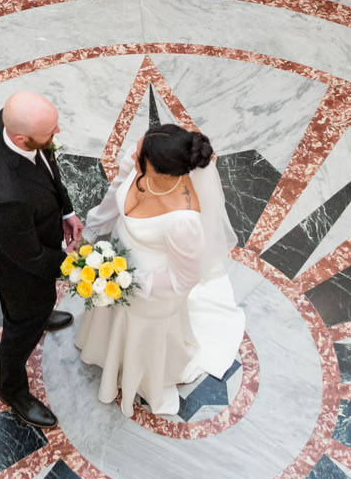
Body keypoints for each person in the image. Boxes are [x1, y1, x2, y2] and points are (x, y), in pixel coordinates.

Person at [77, 124, 245, 418]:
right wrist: (92, 232)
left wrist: (127, 281)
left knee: (134, 323)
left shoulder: (184, 220)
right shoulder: (142, 156)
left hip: (152, 289)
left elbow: (185, 278)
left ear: (162, 172)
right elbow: (116, 190)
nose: (133, 154)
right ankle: (105, 351)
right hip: (115, 258)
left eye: (140, 155)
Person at [0, 89, 84, 429]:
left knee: (39, 309)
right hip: (19, 271)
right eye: (50, 132)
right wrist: (80, 268)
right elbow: (30, 257)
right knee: (21, 327)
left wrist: (67, 210)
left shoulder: (3, 124)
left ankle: (41, 315)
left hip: (31, 234)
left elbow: (48, 165)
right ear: (21, 137)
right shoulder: (5, 196)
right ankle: (11, 389)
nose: (57, 135)